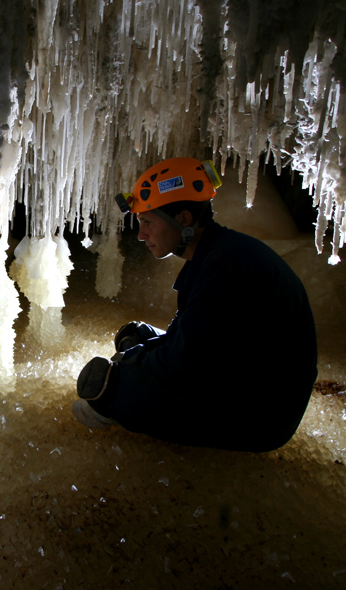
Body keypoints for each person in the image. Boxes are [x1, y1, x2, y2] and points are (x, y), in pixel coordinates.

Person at [73, 157, 317, 453]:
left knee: (112, 387)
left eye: (148, 222)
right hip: (245, 375)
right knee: (136, 335)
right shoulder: (219, 254)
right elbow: (192, 338)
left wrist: (126, 370)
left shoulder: (225, 267)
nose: (141, 235)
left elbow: (185, 361)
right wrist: (138, 352)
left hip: (261, 416)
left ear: (184, 219)